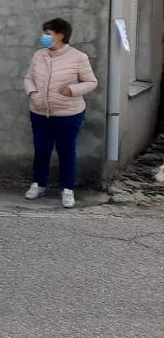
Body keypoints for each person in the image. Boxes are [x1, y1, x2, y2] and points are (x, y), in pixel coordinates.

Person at [23, 18, 98, 209]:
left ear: (61, 35)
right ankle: (38, 185)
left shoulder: (78, 57)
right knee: (41, 149)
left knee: (66, 151)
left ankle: (67, 190)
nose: (45, 37)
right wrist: (33, 93)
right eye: (45, 33)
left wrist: (72, 90)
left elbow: (91, 82)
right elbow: (28, 78)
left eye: (48, 33)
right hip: (39, 112)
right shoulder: (39, 55)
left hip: (68, 115)